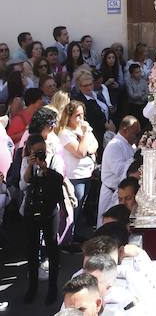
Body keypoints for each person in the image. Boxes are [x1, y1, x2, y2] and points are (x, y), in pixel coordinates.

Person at [20, 133, 64, 304]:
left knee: (52, 248)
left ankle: (52, 287)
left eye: (42, 150)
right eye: (37, 151)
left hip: (49, 210)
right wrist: (30, 167)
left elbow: (59, 180)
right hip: (31, 210)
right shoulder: (27, 162)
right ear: (30, 150)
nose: (40, 154)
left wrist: (45, 169)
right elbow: (23, 185)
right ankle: (32, 287)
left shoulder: (54, 159)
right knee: (31, 250)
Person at [57, 100, 98, 239]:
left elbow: (95, 145)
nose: (81, 119)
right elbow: (79, 152)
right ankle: (68, 237)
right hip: (75, 175)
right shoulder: (64, 133)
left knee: (81, 206)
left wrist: (87, 149)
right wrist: (85, 138)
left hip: (88, 173)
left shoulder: (84, 128)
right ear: (69, 117)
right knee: (74, 206)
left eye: (82, 115)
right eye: (77, 116)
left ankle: (74, 235)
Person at [98, 116, 139, 227]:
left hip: (122, 193)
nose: (136, 137)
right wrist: (134, 162)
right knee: (108, 226)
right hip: (111, 192)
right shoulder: (114, 146)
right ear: (125, 129)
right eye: (135, 133)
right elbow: (120, 170)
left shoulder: (128, 144)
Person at [73, 68, 113, 150]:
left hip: (107, 132)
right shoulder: (80, 102)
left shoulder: (96, 95)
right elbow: (90, 121)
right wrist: (106, 126)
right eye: (85, 85)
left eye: (90, 84)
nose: (89, 87)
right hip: (96, 136)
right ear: (79, 86)